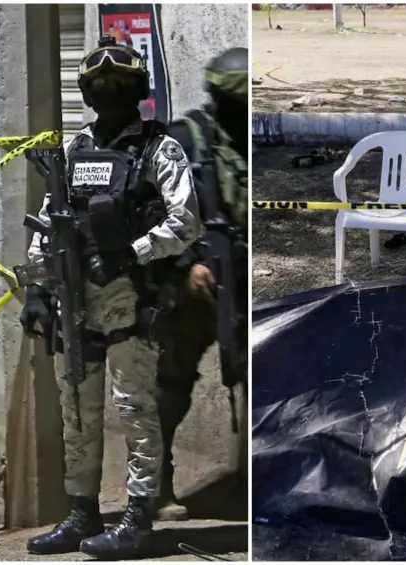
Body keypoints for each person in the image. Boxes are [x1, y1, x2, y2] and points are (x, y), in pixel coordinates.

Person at [20, 36, 200, 558]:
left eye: (119, 86)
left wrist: (133, 253)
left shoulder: (158, 148)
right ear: (87, 93)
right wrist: (35, 287)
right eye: (100, 88)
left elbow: (185, 222)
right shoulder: (73, 151)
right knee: (77, 412)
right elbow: (50, 224)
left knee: (135, 412)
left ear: (137, 89)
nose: (109, 96)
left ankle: (138, 519)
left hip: (130, 304)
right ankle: (80, 514)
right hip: (74, 305)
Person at [154, 47, 248, 521]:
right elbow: (157, 209)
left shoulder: (251, 139)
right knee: (171, 384)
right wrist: (188, 262)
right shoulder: (186, 137)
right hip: (195, 285)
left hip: (244, 278)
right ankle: (156, 482)